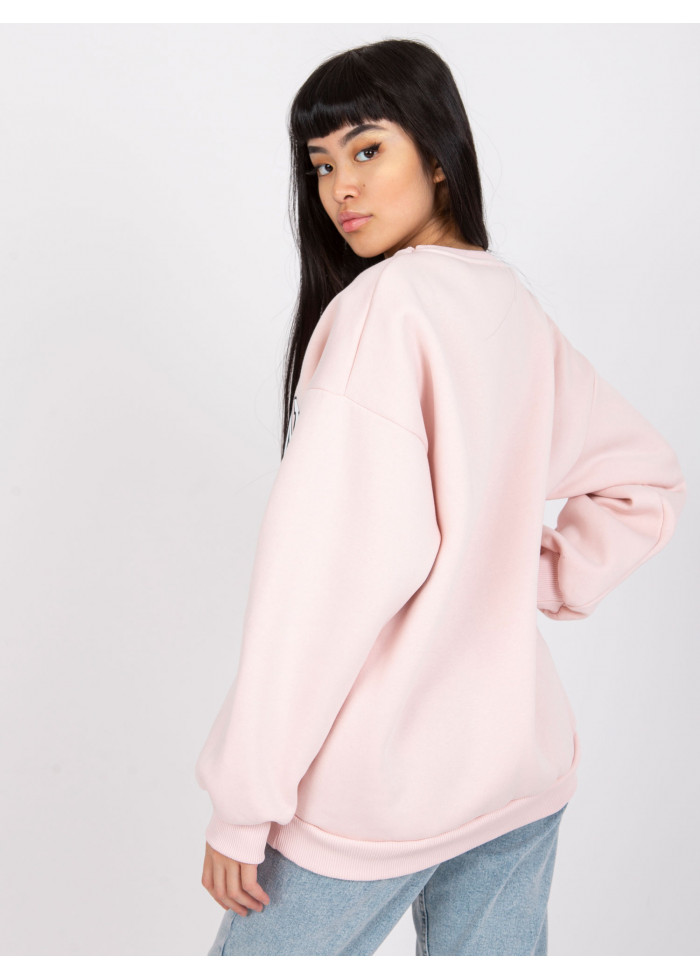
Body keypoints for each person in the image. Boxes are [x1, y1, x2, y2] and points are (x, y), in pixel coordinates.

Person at [195, 38, 687, 955]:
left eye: (367, 149)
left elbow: (323, 584)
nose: (341, 187)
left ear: (438, 153)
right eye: (322, 164)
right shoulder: (512, 307)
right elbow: (642, 480)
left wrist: (244, 799)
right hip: (517, 771)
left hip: (378, 795)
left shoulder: (386, 310)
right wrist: (520, 569)